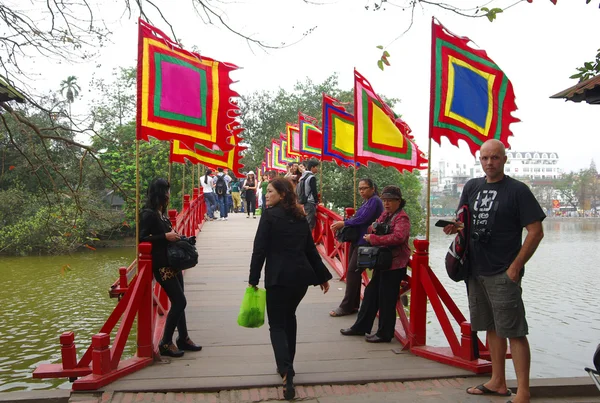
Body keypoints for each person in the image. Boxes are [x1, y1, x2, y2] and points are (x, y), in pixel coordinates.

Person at [443, 139, 545, 403]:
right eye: (485, 158)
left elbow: (535, 232)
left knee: (514, 331)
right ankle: (498, 381)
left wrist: (516, 266)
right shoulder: (472, 187)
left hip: (503, 270)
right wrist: (455, 227)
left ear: (504, 159)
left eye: (495, 158)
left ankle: (523, 390)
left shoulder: (517, 191)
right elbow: (463, 220)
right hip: (475, 269)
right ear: (480, 160)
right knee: (490, 327)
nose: (490, 163)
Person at [248, 177, 332, 400]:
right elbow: (310, 250)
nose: (266, 195)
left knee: (276, 325)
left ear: (283, 194)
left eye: (270, 191)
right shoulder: (300, 216)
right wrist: (323, 276)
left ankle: (287, 371)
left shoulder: (269, 216)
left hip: (278, 278)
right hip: (300, 280)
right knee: (289, 318)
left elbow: (259, 250)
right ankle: (288, 364)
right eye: (266, 191)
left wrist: (253, 279)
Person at [139, 178, 202, 357]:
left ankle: (183, 338)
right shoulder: (148, 214)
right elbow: (142, 239)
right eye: (166, 191)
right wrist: (165, 237)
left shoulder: (161, 213)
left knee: (179, 301)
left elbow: (165, 234)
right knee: (180, 301)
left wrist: (178, 237)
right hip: (161, 265)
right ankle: (165, 342)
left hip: (172, 262)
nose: (168, 194)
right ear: (158, 193)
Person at [340, 185, 410, 343]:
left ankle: (385, 333)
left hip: (395, 264)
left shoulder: (402, 218)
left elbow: (399, 237)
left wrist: (376, 238)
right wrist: (377, 229)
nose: (386, 203)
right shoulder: (386, 215)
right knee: (371, 294)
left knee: (387, 299)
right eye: (385, 200)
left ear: (398, 201)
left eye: (390, 200)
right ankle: (361, 326)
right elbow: (373, 226)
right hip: (383, 262)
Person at [329, 178, 383, 317]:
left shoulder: (375, 201)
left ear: (372, 188)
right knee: (352, 272)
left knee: (353, 272)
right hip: (358, 240)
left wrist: (344, 223)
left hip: (365, 241)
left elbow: (363, 219)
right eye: (360, 189)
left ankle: (347, 306)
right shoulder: (367, 201)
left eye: (364, 188)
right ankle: (352, 305)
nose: (362, 191)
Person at [297, 159, 320, 230]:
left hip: (305, 201)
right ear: (312, 167)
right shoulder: (311, 177)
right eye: (316, 167)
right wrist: (317, 202)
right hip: (310, 202)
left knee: (307, 221)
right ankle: (305, 239)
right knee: (309, 223)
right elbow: (314, 191)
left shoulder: (304, 176)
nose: (317, 169)